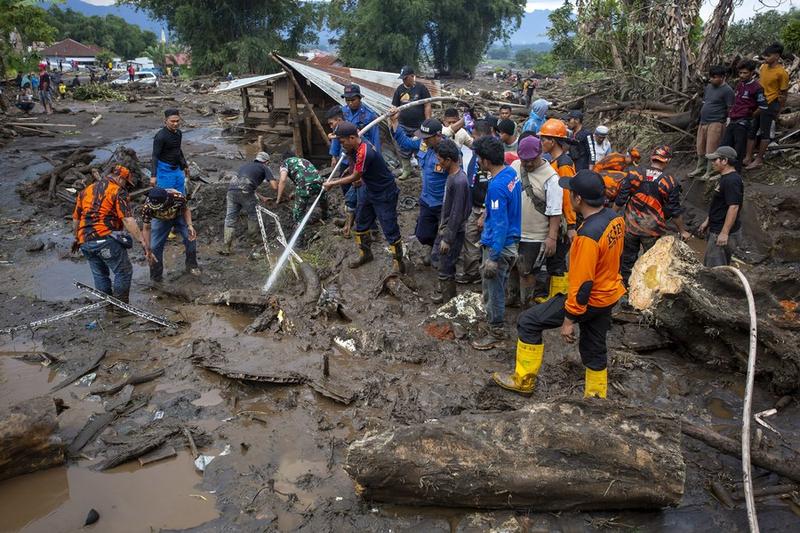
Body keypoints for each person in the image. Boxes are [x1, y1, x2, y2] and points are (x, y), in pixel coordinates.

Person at [493, 170, 625, 397]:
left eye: (570, 193)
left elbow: (583, 284)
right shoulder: (614, 219)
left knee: (529, 322)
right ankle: (596, 395)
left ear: (578, 199)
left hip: (589, 298)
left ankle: (523, 380)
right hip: (608, 294)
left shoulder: (587, 237)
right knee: (594, 346)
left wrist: (569, 319)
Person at [323, 121, 406, 273]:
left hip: (383, 191)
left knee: (389, 226)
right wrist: (352, 168)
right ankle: (365, 254)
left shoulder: (365, 151)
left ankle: (398, 262)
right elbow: (354, 165)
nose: (341, 145)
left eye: (342, 142)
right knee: (361, 223)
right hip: (369, 188)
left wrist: (333, 182)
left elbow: (356, 176)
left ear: (352, 138)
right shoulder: (351, 147)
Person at [72, 165, 154, 303]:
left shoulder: (86, 190)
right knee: (123, 271)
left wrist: (76, 239)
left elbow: (76, 219)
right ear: (120, 178)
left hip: (85, 240)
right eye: (126, 183)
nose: (126, 187)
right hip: (105, 238)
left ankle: (106, 305)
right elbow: (127, 219)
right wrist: (143, 242)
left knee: (100, 275)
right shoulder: (117, 191)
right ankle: (120, 308)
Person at [470, 136, 521, 351]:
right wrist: (486, 215)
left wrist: (492, 257)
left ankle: (496, 331)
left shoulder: (497, 186)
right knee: (498, 285)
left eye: (479, 159)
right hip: (510, 240)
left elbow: (500, 224)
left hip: (499, 245)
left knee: (494, 289)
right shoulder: (510, 174)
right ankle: (494, 321)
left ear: (486, 161)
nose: (478, 163)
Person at [615, 145, 691, 286]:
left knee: (627, 260)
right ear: (667, 160)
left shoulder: (634, 174)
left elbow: (620, 199)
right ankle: (644, 292)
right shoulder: (669, 182)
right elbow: (674, 210)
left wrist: (611, 217)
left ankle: (626, 289)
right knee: (650, 262)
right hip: (652, 230)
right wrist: (682, 231)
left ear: (652, 157)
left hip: (630, 227)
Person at [507, 136, 563, 308]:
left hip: (535, 235)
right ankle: (512, 296)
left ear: (540, 154)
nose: (527, 164)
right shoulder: (515, 166)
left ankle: (526, 302)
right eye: (524, 160)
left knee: (527, 271)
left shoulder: (551, 178)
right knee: (512, 266)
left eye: (531, 161)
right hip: (513, 230)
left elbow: (555, 212)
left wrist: (551, 238)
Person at [390, 114, 447, 263]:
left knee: (444, 238)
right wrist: (395, 121)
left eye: (427, 137)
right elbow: (405, 142)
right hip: (427, 200)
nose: (424, 140)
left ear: (438, 135)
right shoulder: (422, 144)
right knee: (422, 234)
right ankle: (431, 247)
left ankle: (440, 264)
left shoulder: (449, 152)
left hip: (443, 203)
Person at [537, 118, 576, 302]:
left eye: (543, 139)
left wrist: (571, 224)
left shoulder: (564, 164)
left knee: (558, 259)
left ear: (552, 141)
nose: (541, 142)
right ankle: (555, 296)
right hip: (557, 216)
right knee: (554, 259)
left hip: (563, 219)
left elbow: (568, 196)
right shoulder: (554, 161)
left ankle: (560, 298)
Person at [431, 139, 471, 304]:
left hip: (453, 231)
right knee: (441, 261)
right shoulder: (452, 176)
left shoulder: (459, 181)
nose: (438, 162)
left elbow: (457, 213)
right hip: (447, 228)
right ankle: (447, 295)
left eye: (440, 159)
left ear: (448, 160)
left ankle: (449, 302)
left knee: (446, 265)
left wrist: (448, 238)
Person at [456, 119, 493, 284]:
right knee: (470, 238)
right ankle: (472, 272)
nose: (473, 139)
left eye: (476, 136)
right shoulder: (475, 153)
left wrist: (485, 212)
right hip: (473, 204)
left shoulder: (491, 157)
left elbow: (493, 188)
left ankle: (487, 275)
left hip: (486, 208)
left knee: (486, 241)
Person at [744, 43, 789, 170]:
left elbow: (783, 94)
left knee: (765, 132)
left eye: (768, 56)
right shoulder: (763, 67)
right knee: (752, 130)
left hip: (770, 104)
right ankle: (748, 157)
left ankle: (759, 159)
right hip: (759, 103)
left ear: (776, 56)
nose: (765, 58)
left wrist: (779, 110)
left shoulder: (782, 73)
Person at [141, 187, 199, 282]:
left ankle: (192, 265)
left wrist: (190, 225)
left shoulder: (177, 197)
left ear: (167, 200)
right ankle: (156, 277)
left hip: (178, 216)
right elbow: (146, 228)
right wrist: (147, 248)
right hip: (161, 221)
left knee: (191, 237)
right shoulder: (147, 207)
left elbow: (185, 210)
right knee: (154, 247)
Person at [221, 152, 275, 254]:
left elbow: (244, 183)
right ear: (266, 162)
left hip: (231, 191)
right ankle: (254, 243)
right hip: (245, 192)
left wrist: (262, 197)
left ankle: (226, 247)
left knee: (230, 218)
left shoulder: (246, 166)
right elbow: (274, 186)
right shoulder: (264, 167)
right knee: (254, 215)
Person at [698, 146, 744, 267]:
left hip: (720, 232)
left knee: (715, 269)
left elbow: (733, 207)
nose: (712, 163)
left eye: (715, 160)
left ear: (725, 161)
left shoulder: (732, 181)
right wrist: (708, 221)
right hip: (716, 227)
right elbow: (719, 204)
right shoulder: (724, 178)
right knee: (716, 264)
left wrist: (724, 233)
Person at [689, 65, 735, 179]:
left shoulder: (727, 91)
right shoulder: (709, 87)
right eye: (711, 77)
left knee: (712, 147)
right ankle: (700, 167)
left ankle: (710, 171)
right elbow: (706, 102)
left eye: (714, 77)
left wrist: (728, 120)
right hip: (704, 121)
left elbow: (730, 108)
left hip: (716, 122)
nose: (711, 79)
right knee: (700, 145)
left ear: (722, 77)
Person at [721, 60, 765, 172]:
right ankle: (724, 170)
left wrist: (749, 116)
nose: (742, 75)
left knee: (739, 149)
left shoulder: (757, 88)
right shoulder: (740, 85)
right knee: (725, 146)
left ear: (751, 73)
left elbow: (763, 107)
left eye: (745, 73)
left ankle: (736, 172)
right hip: (733, 120)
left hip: (743, 122)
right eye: (740, 73)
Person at [392, 66, 432, 180]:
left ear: (412, 76)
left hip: (419, 125)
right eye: (402, 78)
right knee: (402, 147)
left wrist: (427, 120)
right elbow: (395, 107)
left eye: (406, 78)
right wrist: (394, 118)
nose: (404, 80)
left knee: (420, 147)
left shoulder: (421, 88)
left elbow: (427, 104)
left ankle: (423, 169)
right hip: (403, 124)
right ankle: (407, 169)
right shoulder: (399, 89)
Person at [276, 151, 328, 225]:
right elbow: (314, 172)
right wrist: (295, 192)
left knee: (298, 216)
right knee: (322, 200)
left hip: (304, 186)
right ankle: (325, 216)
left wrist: (278, 199)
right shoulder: (304, 160)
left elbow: (283, 180)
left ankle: (304, 227)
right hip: (320, 183)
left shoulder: (285, 163)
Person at [151, 109, 190, 194]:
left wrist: (185, 165)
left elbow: (178, 149)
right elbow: (155, 156)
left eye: (177, 121)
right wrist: (153, 176)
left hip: (177, 169)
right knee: (166, 196)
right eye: (172, 121)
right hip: (164, 171)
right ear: (165, 121)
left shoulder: (179, 133)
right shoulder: (160, 136)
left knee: (180, 195)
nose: (175, 124)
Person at [341, 83, 380, 153]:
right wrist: (334, 155)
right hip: (345, 155)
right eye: (347, 100)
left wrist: (377, 157)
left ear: (359, 98)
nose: (350, 103)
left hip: (362, 153)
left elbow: (375, 138)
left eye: (353, 100)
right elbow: (337, 134)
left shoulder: (370, 115)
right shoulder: (342, 112)